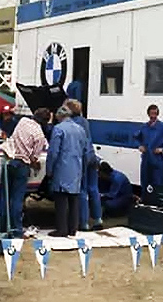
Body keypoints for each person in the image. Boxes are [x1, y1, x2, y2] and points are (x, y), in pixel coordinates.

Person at [45, 105, 92, 237]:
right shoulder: (80, 129)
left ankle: (61, 229)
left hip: (62, 167)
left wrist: (49, 169)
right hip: (77, 167)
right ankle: (73, 228)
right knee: (74, 199)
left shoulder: (59, 129)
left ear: (59, 116)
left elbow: (53, 152)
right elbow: (85, 150)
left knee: (61, 200)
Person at [0, 116, 47, 238]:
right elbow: (34, 157)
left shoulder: (23, 121)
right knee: (17, 199)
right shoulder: (40, 135)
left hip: (9, 162)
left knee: (4, 197)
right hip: (22, 166)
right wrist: (36, 166)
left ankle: (1, 227)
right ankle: (16, 230)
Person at [65, 99, 102, 231]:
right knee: (94, 188)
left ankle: (84, 222)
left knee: (82, 190)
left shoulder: (71, 123)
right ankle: (98, 219)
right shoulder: (85, 121)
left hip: (82, 158)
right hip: (92, 156)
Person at [134, 104, 163, 191]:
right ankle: (145, 200)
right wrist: (139, 145)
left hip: (157, 159)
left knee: (158, 182)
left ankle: (157, 201)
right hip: (146, 158)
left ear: (157, 114)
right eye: (151, 113)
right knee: (145, 181)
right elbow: (135, 137)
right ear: (148, 114)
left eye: (155, 113)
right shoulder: (144, 127)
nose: (153, 116)